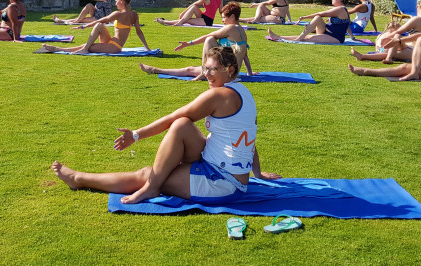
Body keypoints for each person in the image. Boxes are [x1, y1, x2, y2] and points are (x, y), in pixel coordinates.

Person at [52, 46, 280, 204]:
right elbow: (248, 138)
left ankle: (79, 179)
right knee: (182, 125)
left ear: (230, 70)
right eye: (205, 68)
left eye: (213, 69)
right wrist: (257, 174)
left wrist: (136, 135)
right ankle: (150, 184)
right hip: (228, 174)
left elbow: (172, 117)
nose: (207, 74)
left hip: (222, 183)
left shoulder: (218, 95)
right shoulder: (245, 92)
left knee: (147, 174)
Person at [139, 2, 255, 80]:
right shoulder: (242, 32)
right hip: (231, 72)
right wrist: (249, 73)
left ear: (233, 17)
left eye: (224, 17)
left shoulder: (231, 28)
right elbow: (244, 54)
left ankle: (204, 72)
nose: (223, 20)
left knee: (209, 40)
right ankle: (154, 70)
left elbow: (208, 36)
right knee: (189, 69)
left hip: (224, 72)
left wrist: (188, 43)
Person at [41, 0, 149, 54]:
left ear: (121, 1)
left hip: (115, 47)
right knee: (98, 26)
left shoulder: (118, 14)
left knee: (89, 46)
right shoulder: (134, 13)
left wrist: (83, 27)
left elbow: (102, 19)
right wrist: (147, 48)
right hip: (112, 42)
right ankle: (66, 48)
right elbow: (139, 32)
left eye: (116, 1)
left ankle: (58, 49)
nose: (115, 4)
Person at [350, 0, 421, 63]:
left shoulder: (415, 20)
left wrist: (385, 38)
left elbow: (399, 31)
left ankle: (386, 58)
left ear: (417, 6)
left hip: (415, 49)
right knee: (393, 50)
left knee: (396, 40)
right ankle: (363, 56)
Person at [267, 0, 351, 44]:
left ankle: (296, 38)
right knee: (317, 19)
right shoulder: (340, 9)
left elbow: (321, 13)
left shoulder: (340, 9)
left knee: (308, 38)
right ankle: (278, 37)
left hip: (335, 37)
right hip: (327, 31)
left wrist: (304, 17)